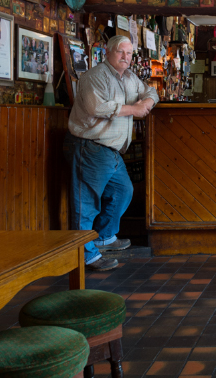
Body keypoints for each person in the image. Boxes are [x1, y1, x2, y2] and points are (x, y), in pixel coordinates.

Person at [64, 35, 159, 271]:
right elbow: (97, 107)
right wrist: (134, 109)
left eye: (129, 53)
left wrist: (146, 102)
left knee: (123, 191)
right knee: (86, 205)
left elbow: (151, 91)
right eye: (121, 52)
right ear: (107, 52)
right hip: (91, 147)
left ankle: (105, 237)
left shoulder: (129, 78)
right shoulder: (94, 77)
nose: (125, 57)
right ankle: (85, 255)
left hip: (112, 151)